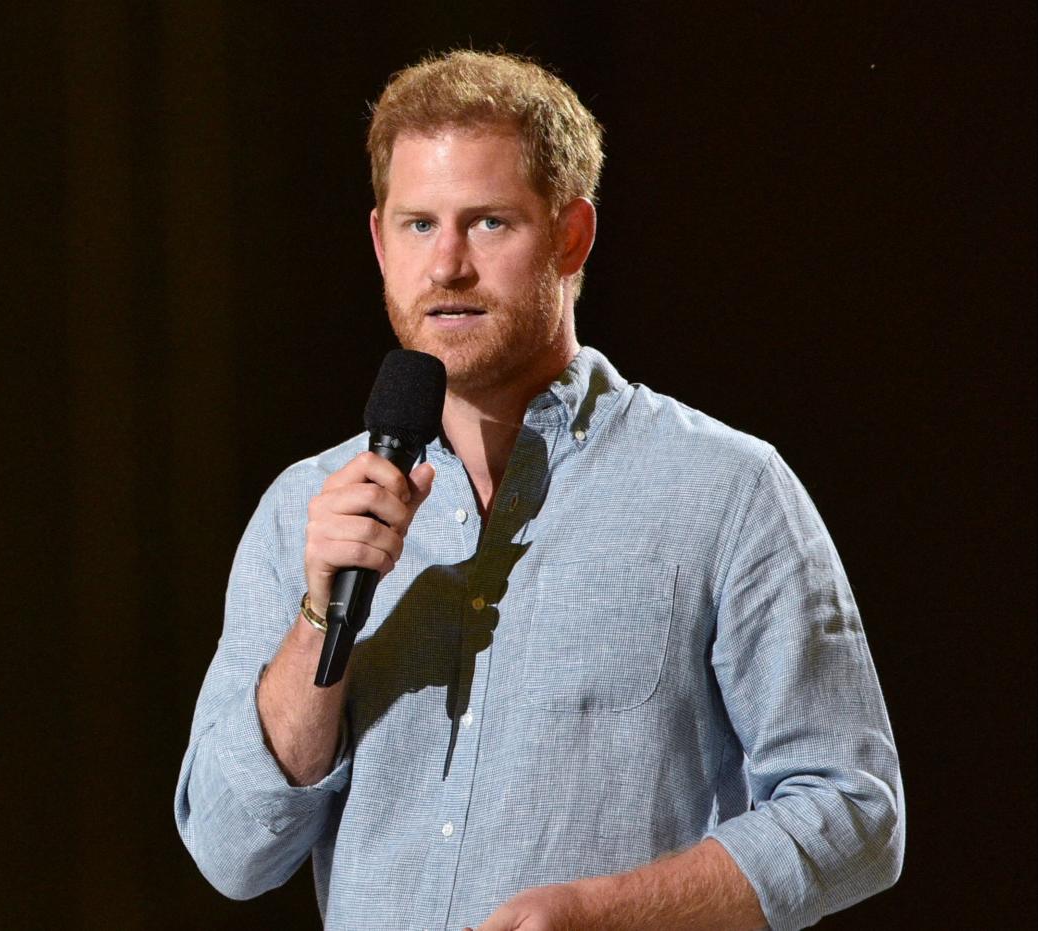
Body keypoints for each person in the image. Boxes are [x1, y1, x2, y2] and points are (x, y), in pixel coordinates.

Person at [175, 50, 904, 930]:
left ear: (571, 235)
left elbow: (853, 810)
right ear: (378, 241)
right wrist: (320, 616)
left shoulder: (726, 490)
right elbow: (230, 850)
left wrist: (611, 916)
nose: (445, 265)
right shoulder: (308, 510)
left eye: (487, 223)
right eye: (417, 226)